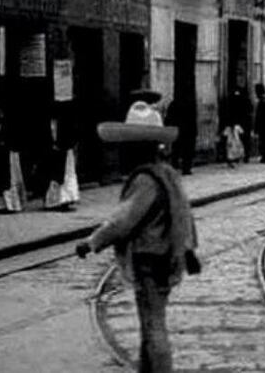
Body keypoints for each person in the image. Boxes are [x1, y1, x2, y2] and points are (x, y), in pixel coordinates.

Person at [77, 119, 200, 373]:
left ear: (138, 148)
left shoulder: (146, 180)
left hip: (150, 259)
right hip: (167, 257)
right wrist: (188, 249)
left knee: (153, 325)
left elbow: (123, 221)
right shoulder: (168, 174)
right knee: (152, 322)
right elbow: (184, 214)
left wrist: (92, 242)